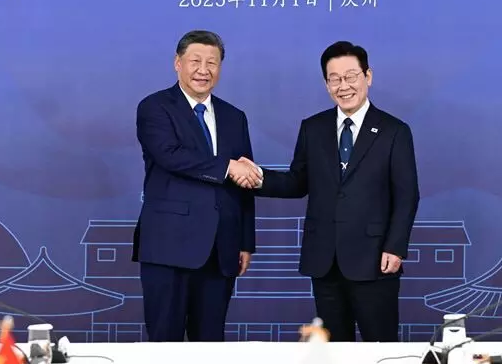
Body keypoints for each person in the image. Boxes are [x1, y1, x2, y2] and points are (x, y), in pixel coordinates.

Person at [237, 41, 419, 342]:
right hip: (325, 261)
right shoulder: (313, 128)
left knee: (380, 347)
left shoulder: (394, 131)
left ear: (368, 76)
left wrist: (395, 247)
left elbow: (407, 196)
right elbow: (298, 182)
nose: (343, 86)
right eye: (334, 79)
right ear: (326, 84)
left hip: (375, 260)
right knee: (333, 351)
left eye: (351, 76)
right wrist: (257, 178)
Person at [133, 30, 262, 342]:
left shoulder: (234, 117)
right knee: (165, 343)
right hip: (168, 246)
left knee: (211, 345)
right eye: (195, 61)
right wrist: (227, 167)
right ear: (178, 63)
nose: (203, 70)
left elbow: (243, 182)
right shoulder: (155, 107)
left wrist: (245, 241)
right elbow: (171, 155)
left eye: (212, 63)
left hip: (221, 249)